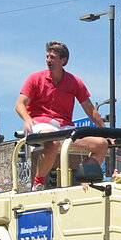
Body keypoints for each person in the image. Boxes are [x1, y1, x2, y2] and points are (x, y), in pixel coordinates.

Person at [15, 41, 109, 191]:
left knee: (102, 145)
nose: (48, 60)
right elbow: (20, 104)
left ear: (63, 60)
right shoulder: (35, 78)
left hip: (64, 125)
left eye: (52, 57)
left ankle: (84, 175)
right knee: (52, 142)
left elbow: (90, 109)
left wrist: (105, 132)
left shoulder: (75, 82)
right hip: (40, 122)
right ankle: (38, 183)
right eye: (47, 56)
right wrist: (27, 119)